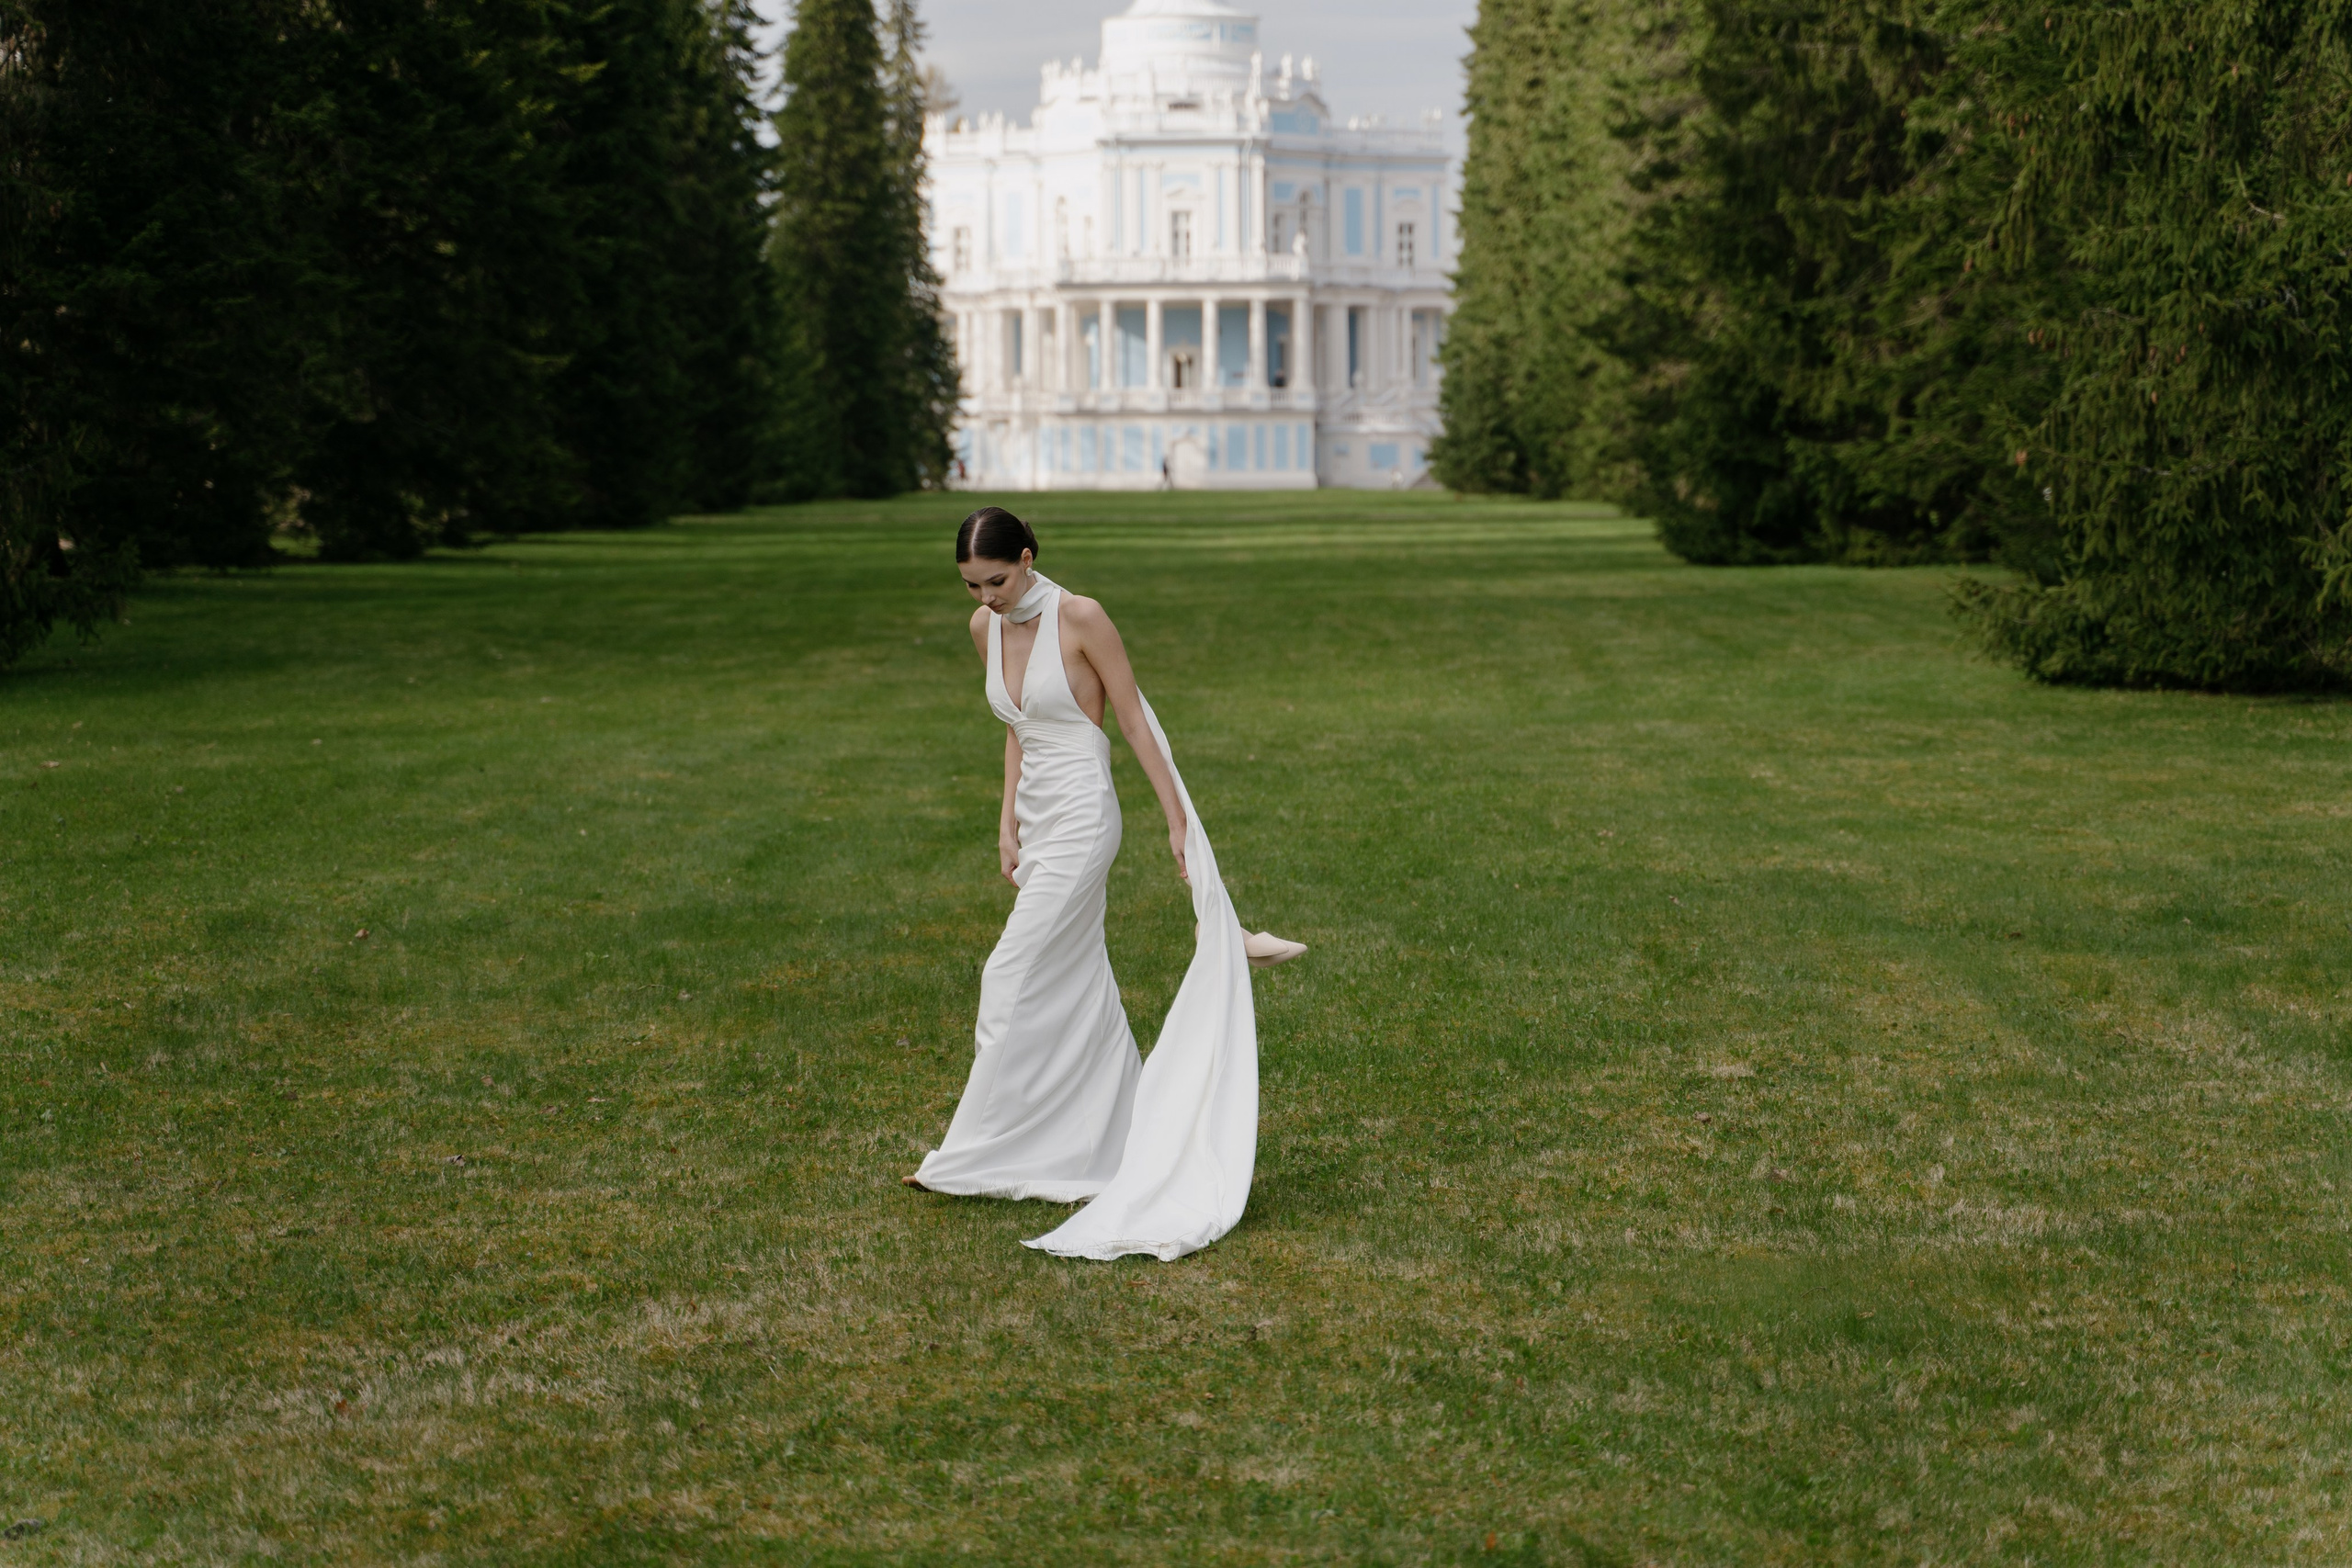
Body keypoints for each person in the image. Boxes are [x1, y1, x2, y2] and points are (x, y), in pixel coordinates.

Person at [906, 506, 1304, 1261]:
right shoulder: (984, 629)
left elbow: (1133, 720)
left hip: (1085, 816)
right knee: (1075, 978)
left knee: (1008, 973)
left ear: (1027, 558)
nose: (986, 597)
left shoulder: (1082, 617)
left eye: (997, 580)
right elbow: (1016, 727)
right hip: (1037, 815)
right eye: (971, 586)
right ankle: (1113, 1143)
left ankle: (969, 1156)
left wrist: (1177, 821)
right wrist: (1005, 820)